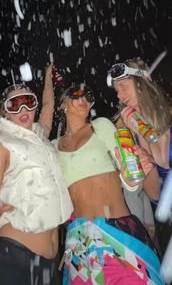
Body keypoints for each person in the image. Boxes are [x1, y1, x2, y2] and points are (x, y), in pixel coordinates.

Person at [0, 66, 73, 285]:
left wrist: (47, 75)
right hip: (16, 258)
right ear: (6, 110)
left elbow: (48, 107)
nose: (22, 109)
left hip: (51, 263)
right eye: (14, 104)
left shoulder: (39, 136)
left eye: (28, 102)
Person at [52, 84, 164, 285]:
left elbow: (128, 173)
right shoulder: (52, 147)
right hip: (79, 243)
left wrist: (131, 180)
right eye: (76, 95)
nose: (84, 98)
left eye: (88, 95)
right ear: (63, 104)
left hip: (117, 232)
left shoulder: (101, 126)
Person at [107, 58, 172, 254]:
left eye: (124, 87)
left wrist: (146, 131)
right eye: (116, 90)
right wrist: (142, 146)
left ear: (143, 82)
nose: (119, 95)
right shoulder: (124, 130)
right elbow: (153, 194)